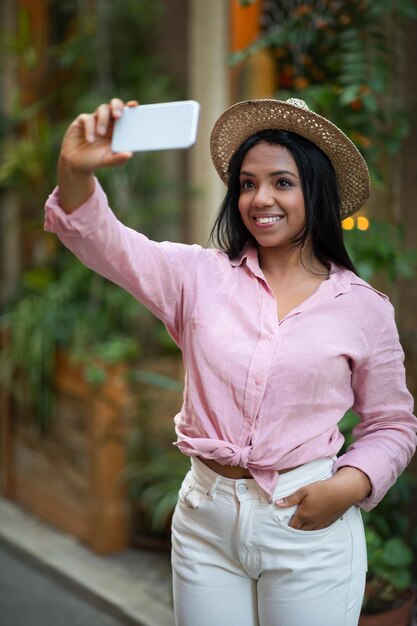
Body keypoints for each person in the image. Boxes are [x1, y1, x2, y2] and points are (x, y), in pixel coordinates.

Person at [44, 96, 417, 626]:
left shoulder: (364, 310)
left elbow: (392, 424)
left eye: (282, 182)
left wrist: (350, 486)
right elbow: (103, 240)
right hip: (205, 521)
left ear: (317, 192)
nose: (259, 198)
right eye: (247, 183)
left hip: (305, 519)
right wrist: (75, 169)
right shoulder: (197, 277)